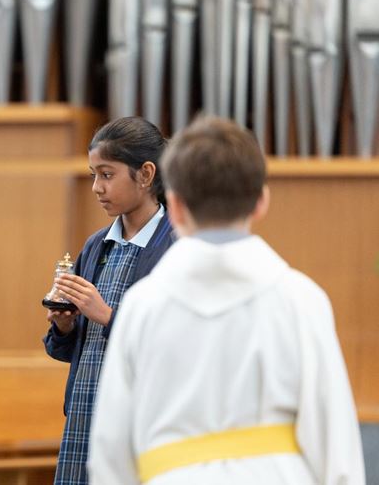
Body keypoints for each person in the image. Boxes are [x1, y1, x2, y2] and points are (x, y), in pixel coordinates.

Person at [88, 116, 365, 484]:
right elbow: (335, 441)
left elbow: (110, 450)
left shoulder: (142, 307)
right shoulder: (301, 299)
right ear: (261, 202)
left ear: (176, 206)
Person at [43, 117, 176, 484]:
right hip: (85, 412)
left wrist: (106, 315)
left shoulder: (175, 247)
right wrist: (64, 326)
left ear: (146, 174)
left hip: (139, 419)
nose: (96, 188)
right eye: (93, 175)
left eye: (107, 174)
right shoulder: (96, 245)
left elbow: (176, 344)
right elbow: (70, 349)